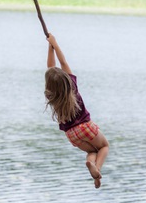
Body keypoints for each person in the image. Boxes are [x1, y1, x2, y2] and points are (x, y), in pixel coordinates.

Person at [44, 33, 109, 189]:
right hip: (85, 127)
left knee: (92, 152)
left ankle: (91, 165)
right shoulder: (72, 86)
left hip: (72, 135)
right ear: (66, 79)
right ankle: (97, 169)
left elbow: (50, 68)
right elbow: (63, 62)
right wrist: (54, 44)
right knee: (104, 147)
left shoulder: (53, 97)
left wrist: (49, 46)